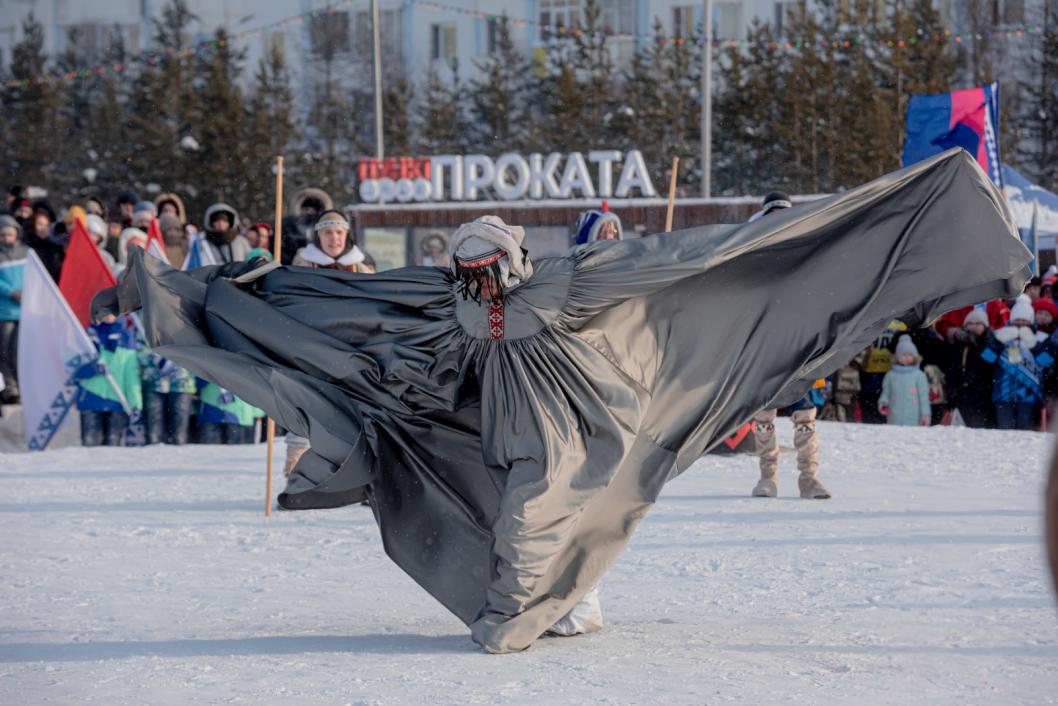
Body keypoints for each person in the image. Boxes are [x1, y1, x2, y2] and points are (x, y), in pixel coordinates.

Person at [93, 149, 1031, 654]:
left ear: (508, 255)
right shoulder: (456, 302)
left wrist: (774, 231)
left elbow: (679, 258)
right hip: (493, 416)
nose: (478, 278)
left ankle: (512, 618)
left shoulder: (571, 280)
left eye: (484, 263)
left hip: (581, 414)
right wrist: (257, 294)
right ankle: (570, 602)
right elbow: (373, 307)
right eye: (466, 268)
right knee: (521, 506)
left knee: (541, 510)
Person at [748, 192, 830, 500]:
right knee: (764, 413)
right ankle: (767, 476)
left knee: (805, 410)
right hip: (765, 345)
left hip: (799, 344)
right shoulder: (754, 254)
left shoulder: (807, 253)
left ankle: (809, 479)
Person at [983, 295, 1055, 430]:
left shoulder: (1041, 338)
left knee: (1026, 435)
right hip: (1003, 393)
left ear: (1030, 320)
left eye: (1024, 320)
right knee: (1003, 433)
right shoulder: (999, 335)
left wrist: (1034, 346)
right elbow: (987, 361)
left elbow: (1047, 363)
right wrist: (997, 343)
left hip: (1030, 395)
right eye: (1017, 319)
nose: (1021, 323)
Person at [74, 316, 142, 447]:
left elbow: (131, 377)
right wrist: (91, 368)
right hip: (90, 399)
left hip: (117, 401)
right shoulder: (86, 338)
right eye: (103, 311)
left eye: (112, 311)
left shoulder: (127, 339)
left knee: (113, 450)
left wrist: (135, 404)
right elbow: (73, 372)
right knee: (90, 449)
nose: (108, 315)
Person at [945, 309, 995, 428]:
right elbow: (952, 369)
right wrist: (952, 392)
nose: (974, 326)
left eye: (978, 323)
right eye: (970, 323)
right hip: (964, 394)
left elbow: (991, 367)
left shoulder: (991, 343)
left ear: (985, 325)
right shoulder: (960, 344)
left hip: (985, 395)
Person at [291, 210, 375, 273]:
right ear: (318, 237)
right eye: (328, 232)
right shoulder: (302, 269)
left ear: (347, 235)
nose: (334, 238)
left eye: (339, 232)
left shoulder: (362, 271)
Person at [0, 215, 26, 405]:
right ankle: (11, 388)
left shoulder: (27, 252)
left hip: (25, 311)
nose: (6, 238)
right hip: (5, 312)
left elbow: (37, 275)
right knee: (5, 351)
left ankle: (24, 385)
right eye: (2, 235)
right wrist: (11, 292)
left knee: (21, 351)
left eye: (9, 234)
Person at [878, 335, 932, 426]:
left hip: (914, 420)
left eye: (910, 354)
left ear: (915, 356)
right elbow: (886, 393)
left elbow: (923, 397)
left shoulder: (919, 376)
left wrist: (925, 414)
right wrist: (883, 403)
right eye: (903, 354)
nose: (906, 357)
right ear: (897, 356)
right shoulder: (891, 375)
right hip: (894, 419)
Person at [282, 188, 333, 265]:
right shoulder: (289, 225)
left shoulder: (325, 226)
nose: (309, 212)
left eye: (313, 210)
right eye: (306, 209)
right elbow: (284, 248)